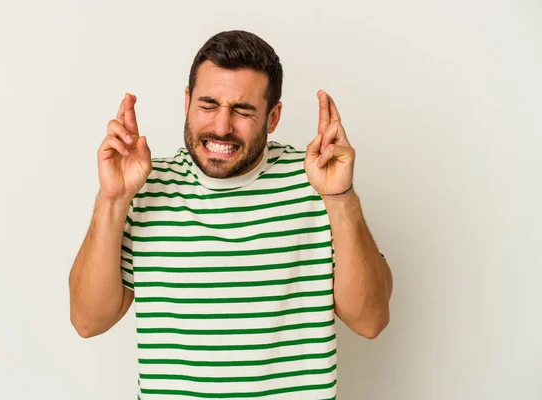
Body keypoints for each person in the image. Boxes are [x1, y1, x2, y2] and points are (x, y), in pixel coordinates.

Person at [69, 30, 393, 399]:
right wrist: (113, 199)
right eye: (208, 105)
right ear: (187, 101)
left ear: (273, 117)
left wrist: (339, 197)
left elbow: (370, 321)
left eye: (243, 110)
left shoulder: (316, 182)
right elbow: (87, 321)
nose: (221, 126)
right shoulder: (144, 186)